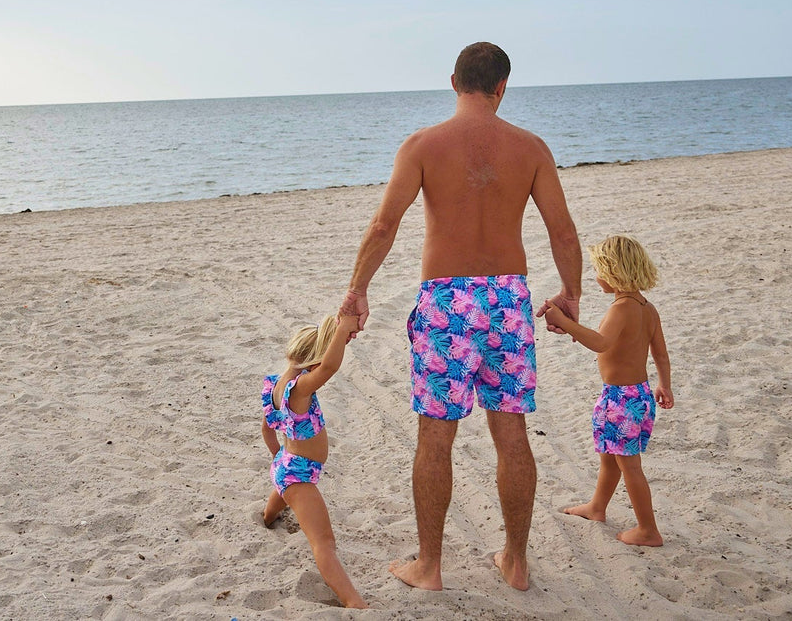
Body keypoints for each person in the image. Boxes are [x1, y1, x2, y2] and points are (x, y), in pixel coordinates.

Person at [340, 41, 582, 592]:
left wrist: (357, 289)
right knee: (511, 430)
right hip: (507, 298)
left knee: (435, 435)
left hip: (447, 301)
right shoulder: (532, 148)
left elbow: (383, 227)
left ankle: (429, 567)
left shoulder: (423, 145)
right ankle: (516, 563)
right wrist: (571, 293)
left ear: (453, 82)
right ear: (502, 87)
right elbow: (562, 231)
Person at [544, 234, 674, 546]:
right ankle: (597, 506)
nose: (596, 277)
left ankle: (648, 530)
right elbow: (661, 354)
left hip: (621, 399)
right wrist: (664, 385)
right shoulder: (647, 307)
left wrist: (563, 320)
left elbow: (600, 343)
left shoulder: (621, 308)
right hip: (640, 394)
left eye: (599, 270)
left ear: (614, 272)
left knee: (629, 465)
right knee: (609, 457)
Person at [260, 312, 369, 609]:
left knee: (282, 493)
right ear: (312, 364)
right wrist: (344, 329)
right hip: (299, 475)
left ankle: (268, 517)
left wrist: (278, 459)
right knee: (325, 544)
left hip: (285, 465)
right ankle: (353, 601)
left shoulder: (274, 387)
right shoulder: (300, 389)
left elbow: (267, 430)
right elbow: (331, 366)